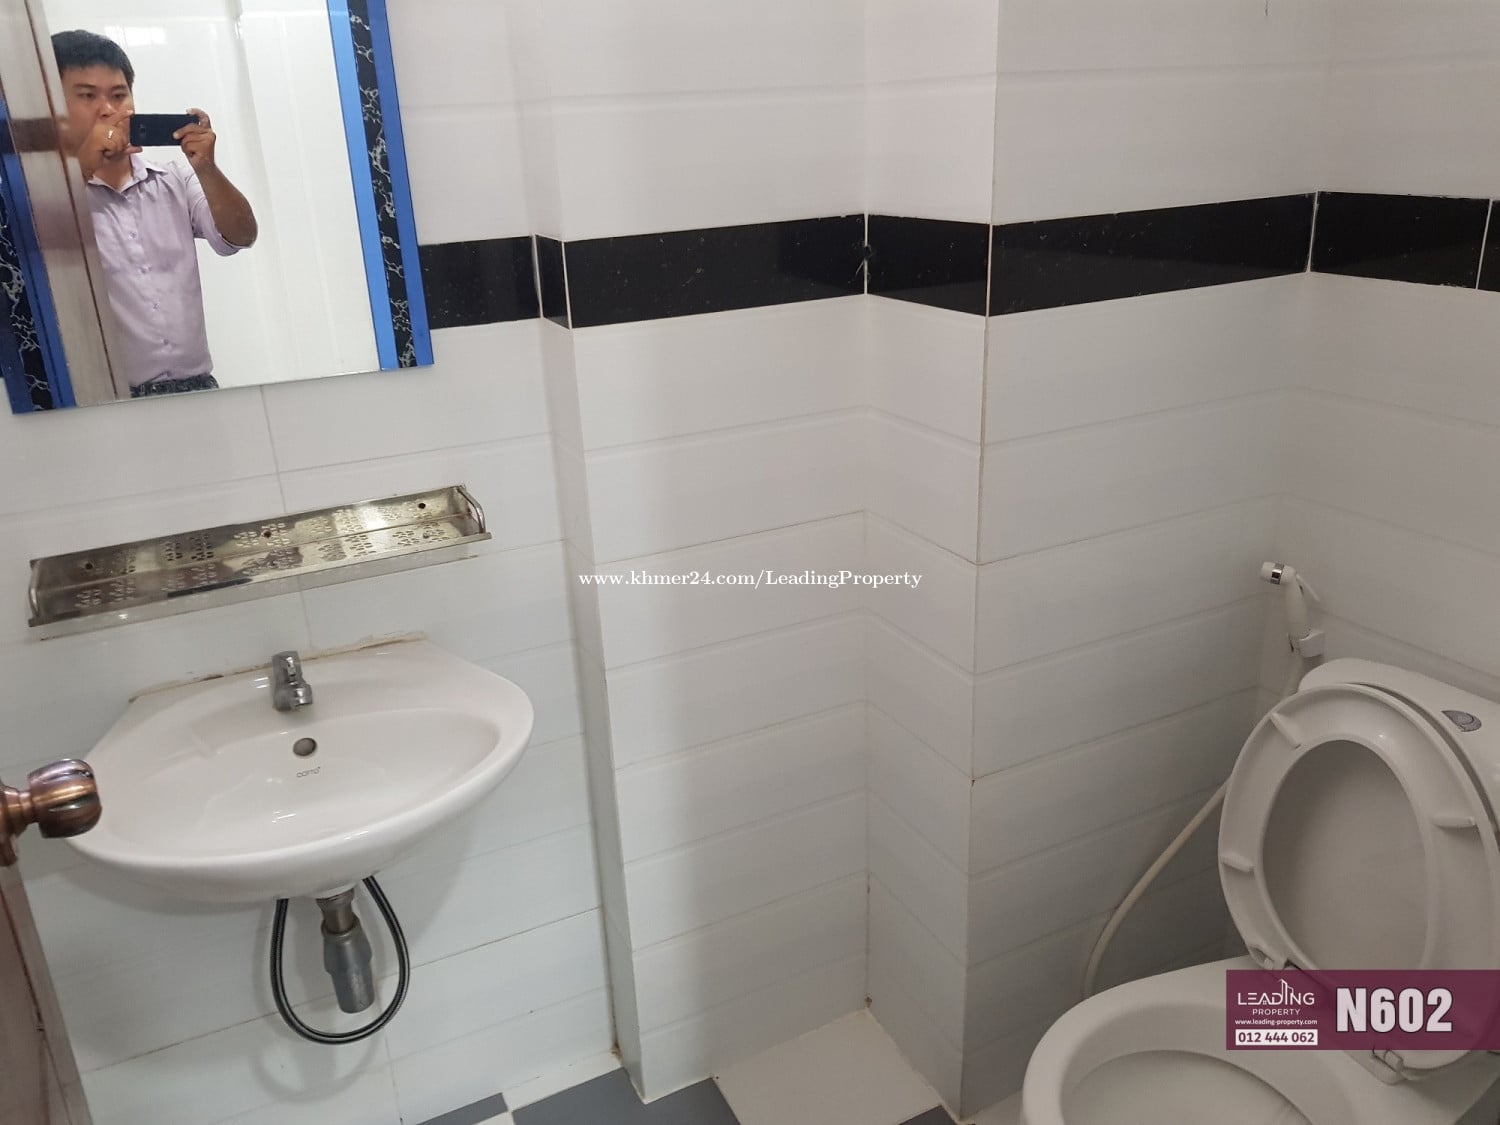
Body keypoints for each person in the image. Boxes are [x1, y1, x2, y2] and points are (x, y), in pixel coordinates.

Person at [51, 30, 257, 398]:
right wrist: (82, 167)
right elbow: (37, 252)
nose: (108, 109)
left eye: (119, 95)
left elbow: (241, 237)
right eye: (87, 96)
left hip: (198, 389)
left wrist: (206, 167)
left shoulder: (174, 178)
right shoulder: (43, 195)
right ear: (54, 104)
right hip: (106, 401)